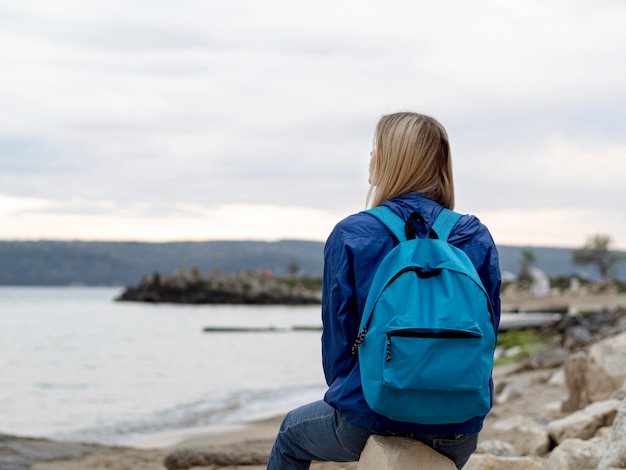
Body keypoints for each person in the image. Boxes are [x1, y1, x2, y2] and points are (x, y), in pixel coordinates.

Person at [267, 111, 501, 470]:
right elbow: (488, 332)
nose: (371, 159)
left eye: (375, 150)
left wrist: (364, 395)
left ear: (393, 161)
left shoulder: (354, 234)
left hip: (372, 414)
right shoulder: (474, 236)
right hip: (458, 428)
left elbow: (337, 346)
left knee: (289, 437)